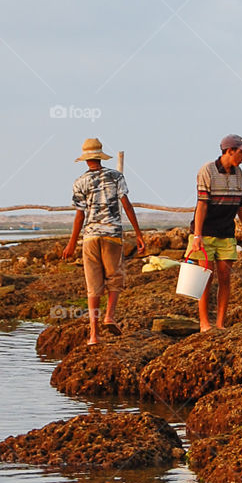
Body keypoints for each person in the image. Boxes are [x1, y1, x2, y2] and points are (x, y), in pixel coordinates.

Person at [63, 138, 146, 345]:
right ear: (100, 157)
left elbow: (79, 216)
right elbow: (126, 205)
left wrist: (71, 243)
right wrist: (138, 233)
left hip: (90, 237)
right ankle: (109, 316)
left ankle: (93, 335)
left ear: (85, 159)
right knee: (115, 278)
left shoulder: (79, 182)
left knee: (93, 286)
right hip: (111, 234)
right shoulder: (116, 176)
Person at [186, 133, 242, 330]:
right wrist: (197, 235)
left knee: (225, 277)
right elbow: (202, 205)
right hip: (206, 231)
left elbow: (241, 204)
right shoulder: (207, 170)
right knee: (205, 277)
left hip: (227, 233)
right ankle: (204, 323)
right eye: (241, 152)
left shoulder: (238, 173)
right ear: (229, 151)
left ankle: (220, 324)